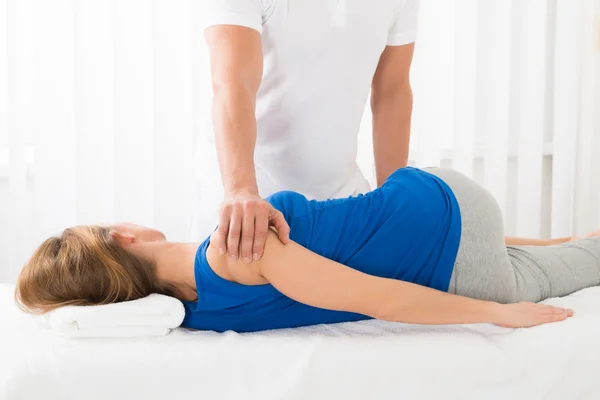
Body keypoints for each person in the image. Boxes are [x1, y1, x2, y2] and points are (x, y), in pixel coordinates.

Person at [16, 167, 600, 332]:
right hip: (448, 216)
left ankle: (559, 244)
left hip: (457, 247)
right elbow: (380, 298)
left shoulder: (196, 314)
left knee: (579, 258)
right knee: (579, 258)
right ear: (121, 237)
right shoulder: (233, 250)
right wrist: (499, 316)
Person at [192, 0, 420, 264]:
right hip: (250, 206)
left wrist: (391, 199)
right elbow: (234, 82)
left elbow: (392, 92)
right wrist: (240, 190)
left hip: (342, 204)